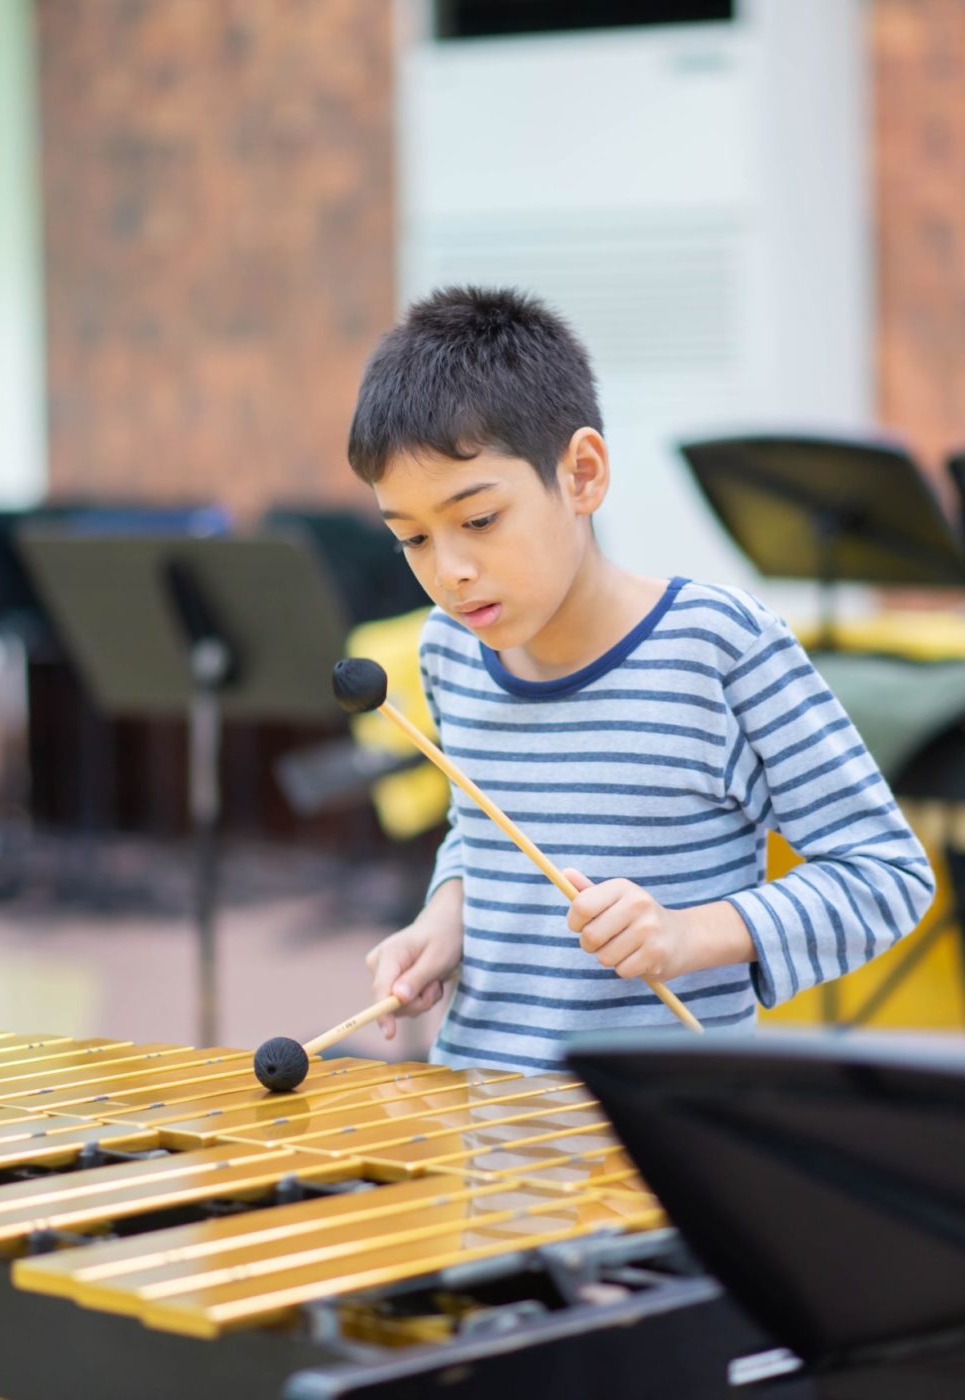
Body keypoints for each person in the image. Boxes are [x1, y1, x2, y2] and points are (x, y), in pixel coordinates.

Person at [353, 286, 933, 1071]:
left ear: (583, 474)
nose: (448, 572)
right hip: (482, 1115)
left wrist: (690, 934)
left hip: (653, 1130)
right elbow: (482, 833)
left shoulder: (720, 649)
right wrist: (444, 920)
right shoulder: (448, 652)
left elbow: (885, 876)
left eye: (479, 520)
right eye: (412, 539)